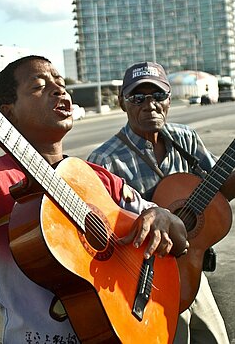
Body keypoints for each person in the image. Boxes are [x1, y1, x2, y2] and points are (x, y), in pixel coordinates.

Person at [0, 55, 187, 344]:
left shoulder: (97, 177)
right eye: (39, 86)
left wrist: (162, 215)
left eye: (60, 82)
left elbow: (177, 232)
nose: (59, 89)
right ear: (6, 113)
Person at [88, 61, 235, 344]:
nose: (150, 105)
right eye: (138, 97)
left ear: (169, 99)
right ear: (122, 103)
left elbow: (218, 190)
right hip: (144, 281)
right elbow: (98, 235)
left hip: (191, 268)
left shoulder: (184, 138)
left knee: (216, 339)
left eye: (158, 96)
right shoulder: (105, 160)